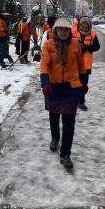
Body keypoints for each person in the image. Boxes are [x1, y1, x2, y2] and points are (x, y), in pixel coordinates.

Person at [40, 17, 88, 170]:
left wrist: (84, 83)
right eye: (60, 29)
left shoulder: (75, 44)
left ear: (70, 31)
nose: (63, 32)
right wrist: (45, 83)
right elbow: (44, 65)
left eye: (66, 29)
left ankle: (65, 154)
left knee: (69, 122)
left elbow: (81, 65)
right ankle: (55, 137)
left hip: (71, 87)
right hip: (54, 86)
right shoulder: (48, 44)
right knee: (54, 115)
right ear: (55, 30)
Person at [72, 16, 100, 111]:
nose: (84, 29)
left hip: (86, 65)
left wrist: (87, 48)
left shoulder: (93, 34)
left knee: (83, 84)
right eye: (82, 27)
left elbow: (97, 47)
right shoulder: (74, 33)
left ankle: (81, 102)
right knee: (74, 83)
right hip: (74, 64)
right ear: (79, 26)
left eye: (86, 27)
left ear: (89, 27)